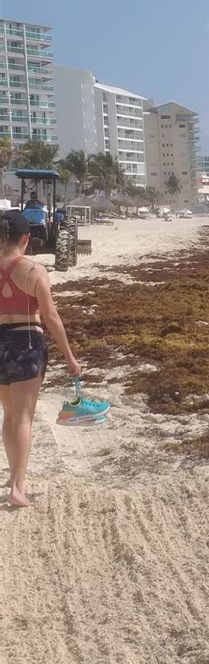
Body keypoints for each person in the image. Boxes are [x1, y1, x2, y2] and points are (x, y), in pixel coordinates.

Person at [0, 211, 80, 507]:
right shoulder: (34, 270)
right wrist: (69, 355)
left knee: (9, 414)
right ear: (26, 238)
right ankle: (18, 487)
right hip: (26, 341)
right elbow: (50, 316)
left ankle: (13, 477)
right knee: (23, 418)